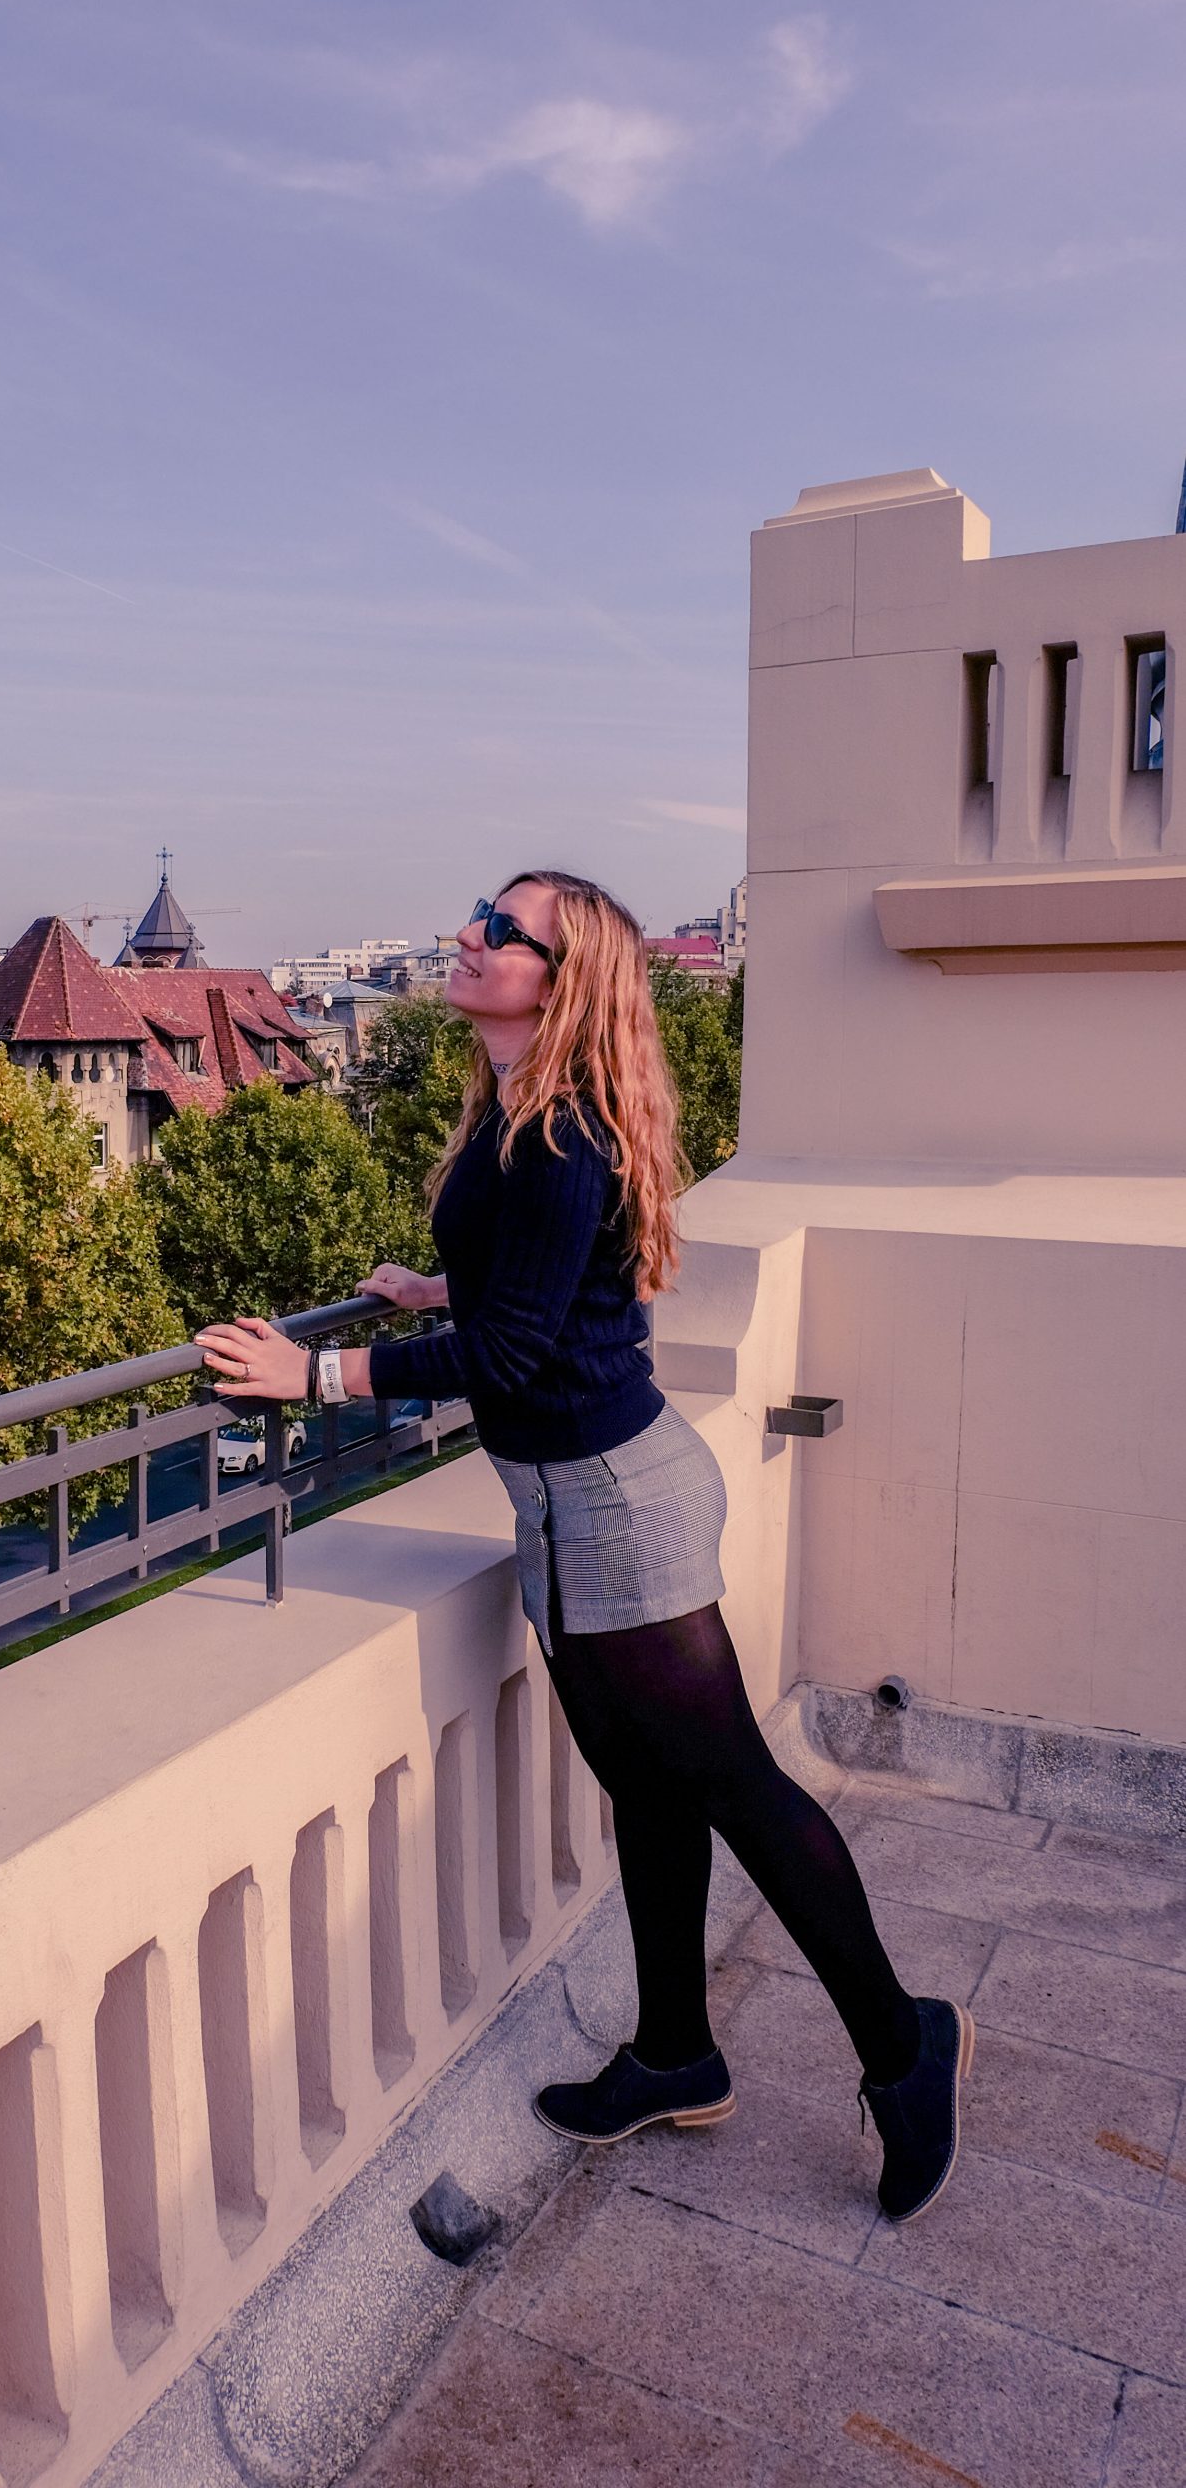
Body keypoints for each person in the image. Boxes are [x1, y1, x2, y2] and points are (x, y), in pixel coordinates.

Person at [195, 869, 972, 2224]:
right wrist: (439, 1283)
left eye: (502, 931)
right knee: (647, 1787)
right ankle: (676, 2054)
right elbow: (540, 1298)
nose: (469, 936)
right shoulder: (516, 1117)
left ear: (558, 980)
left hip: (620, 1499)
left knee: (736, 1785)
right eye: (475, 917)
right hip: (563, 1500)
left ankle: (907, 2047)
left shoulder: (558, 1139)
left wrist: (312, 1380)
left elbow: (506, 1357)